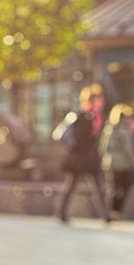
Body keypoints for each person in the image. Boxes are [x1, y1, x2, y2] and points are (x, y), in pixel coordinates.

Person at [54, 87, 110, 225]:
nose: (101, 102)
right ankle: (61, 212)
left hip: (90, 157)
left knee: (98, 186)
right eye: (99, 99)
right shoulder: (83, 115)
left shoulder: (97, 116)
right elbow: (80, 137)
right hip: (80, 158)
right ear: (93, 100)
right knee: (72, 185)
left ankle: (105, 215)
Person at [100, 104, 134, 220]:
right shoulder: (123, 130)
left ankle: (111, 211)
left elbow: (102, 148)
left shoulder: (108, 129)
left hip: (110, 163)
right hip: (123, 163)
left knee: (114, 187)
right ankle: (116, 211)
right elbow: (128, 148)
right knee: (123, 187)